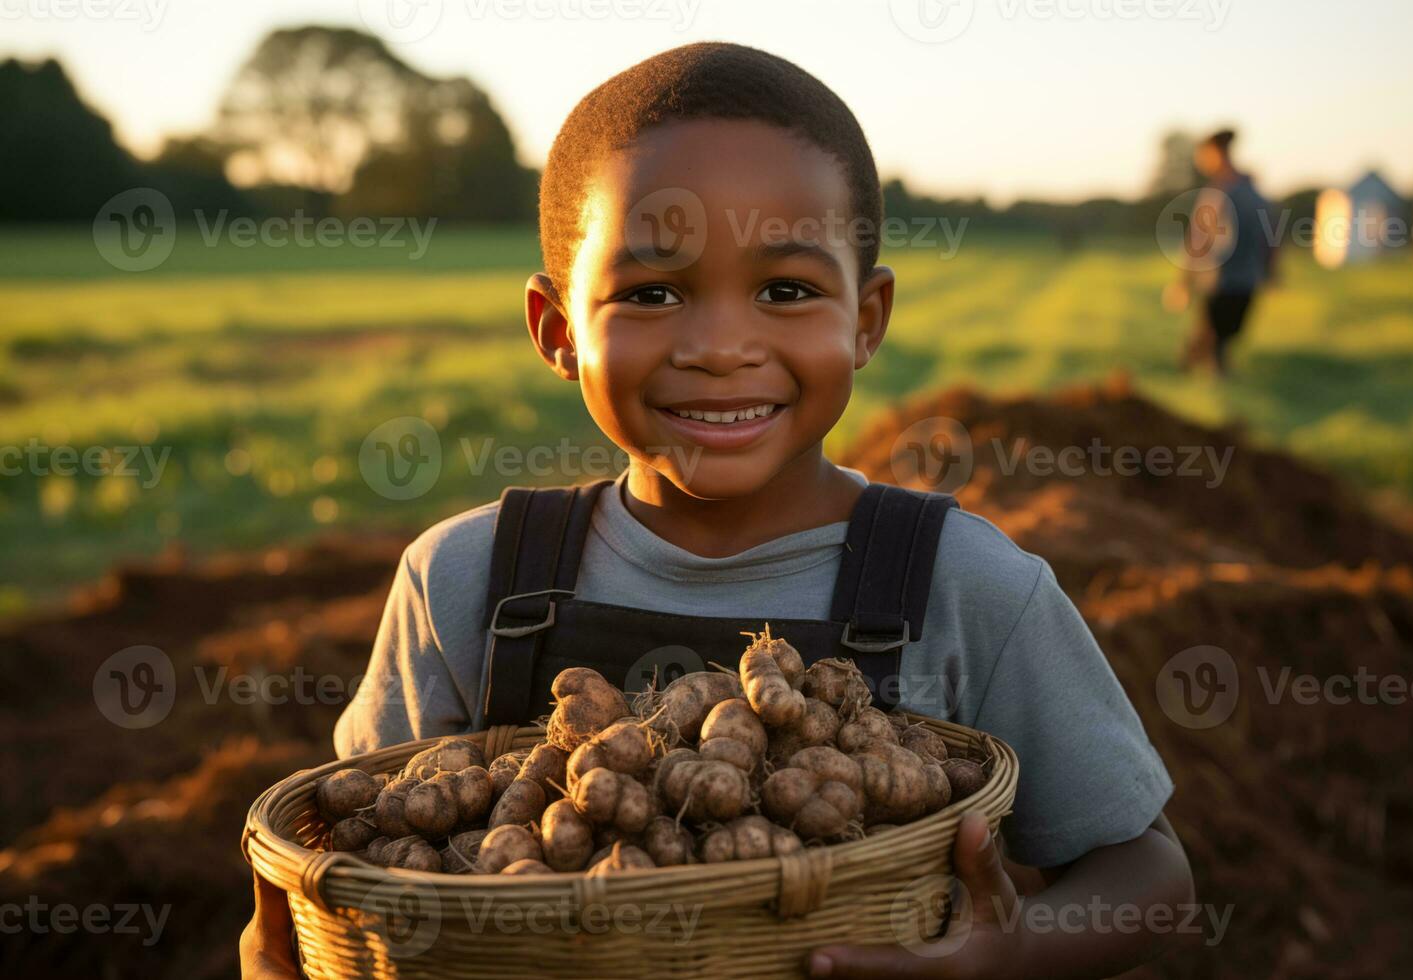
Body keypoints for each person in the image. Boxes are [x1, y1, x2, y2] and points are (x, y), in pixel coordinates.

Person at [243, 42, 1192, 978]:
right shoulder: (463, 577)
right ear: (558, 331)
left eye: (786, 290)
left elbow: (1148, 870)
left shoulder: (969, 586)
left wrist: (1013, 955)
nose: (720, 346)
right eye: (652, 293)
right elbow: (355, 839)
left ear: (865, 321)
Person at [1172, 129, 1277, 375]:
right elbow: (1272, 236)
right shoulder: (1256, 194)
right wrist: (1270, 270)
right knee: (1220, 340)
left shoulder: (1218, 194)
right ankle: (1204, 379)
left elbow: (1197, 242)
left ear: (1216, 154)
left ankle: (1199, 377)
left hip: (1220, 282)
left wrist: (1183, 282)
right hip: (1246, 280)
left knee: (1215, 339)